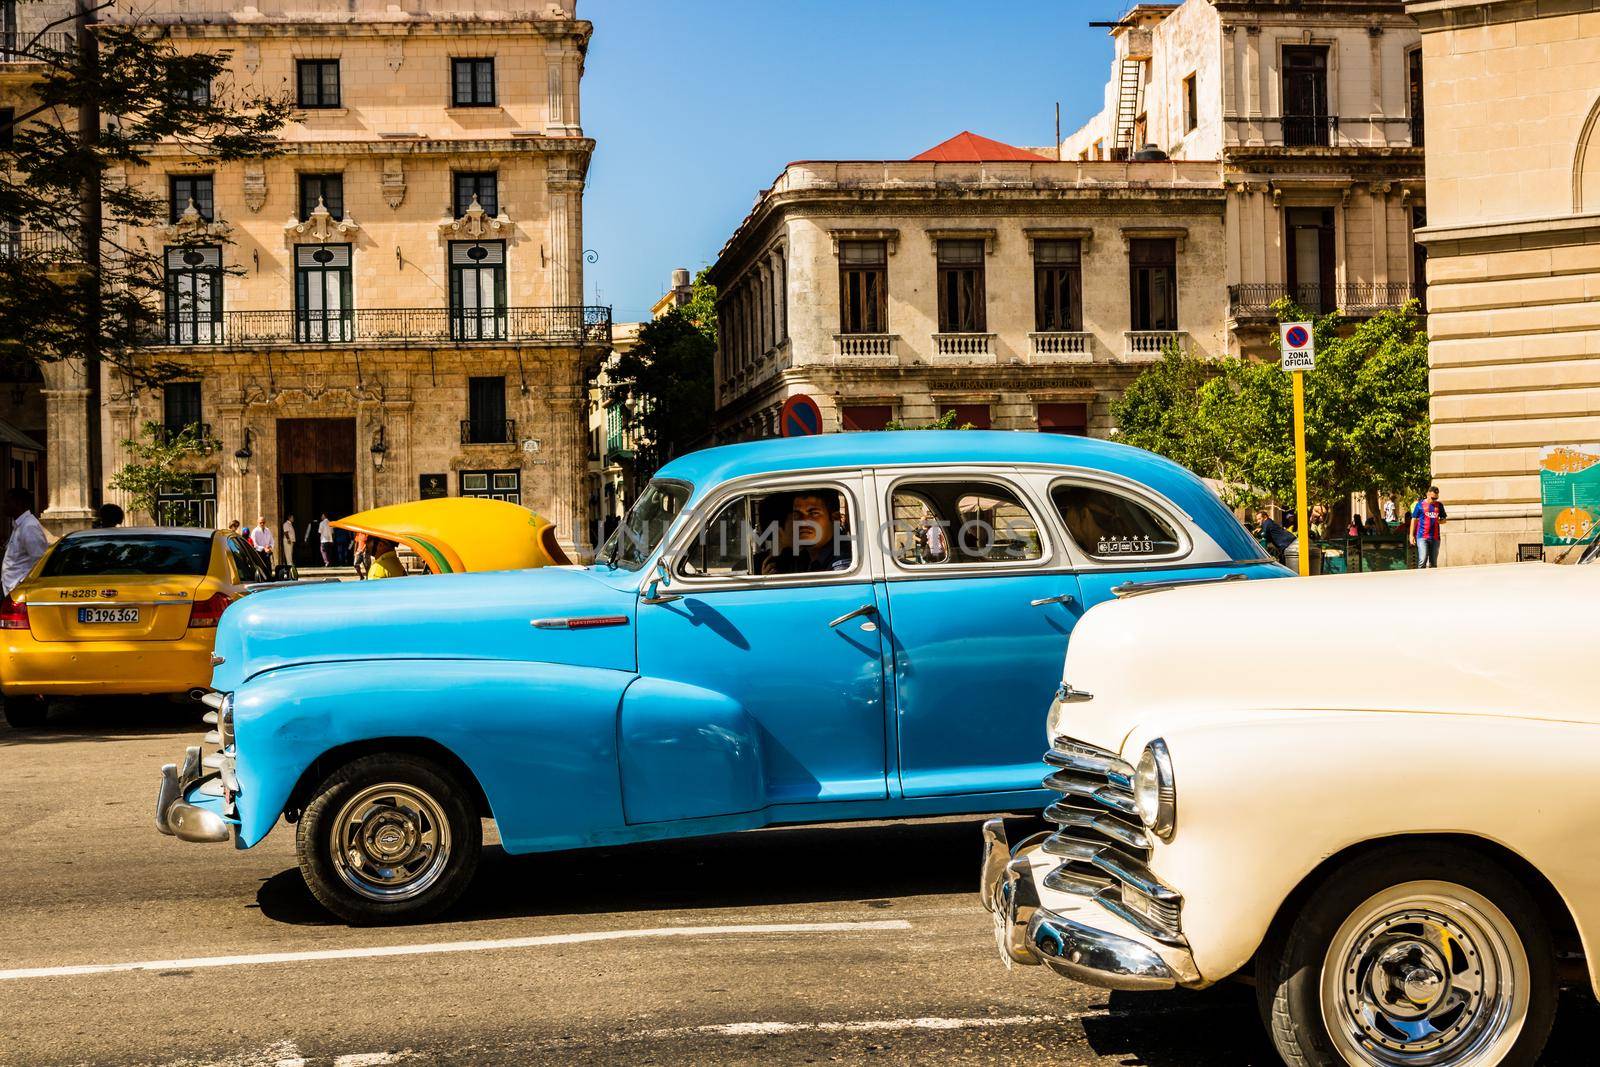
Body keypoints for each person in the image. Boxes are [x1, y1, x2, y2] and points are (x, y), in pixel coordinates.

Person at [760, 491, 851, 574]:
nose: (803, 522)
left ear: (835, 519)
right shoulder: (803, 558)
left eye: (814, 513)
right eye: (797, 515)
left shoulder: (842, 563)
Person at [2, 488, 48, 596]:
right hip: (11, 588)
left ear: (18, 503)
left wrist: (23, 584)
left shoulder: (29, 526)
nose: (4, 506)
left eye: (7, 502)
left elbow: (39, 561)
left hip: (19, 590)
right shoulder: (19, 525)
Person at [1410, 485, 1447, 569]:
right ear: (1427, 494)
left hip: (1435, 537)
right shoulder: (1419, 505)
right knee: (1422, 560)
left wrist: (1440, 521)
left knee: (1433, 562)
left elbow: (1444, 519)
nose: (1434, 500)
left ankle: (1432, 581)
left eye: (1436, 498)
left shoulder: (1439, 505)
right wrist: (1411, 535)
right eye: (1433, 498)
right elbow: (1414, 519)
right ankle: (1420, 579)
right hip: (1422, 536)